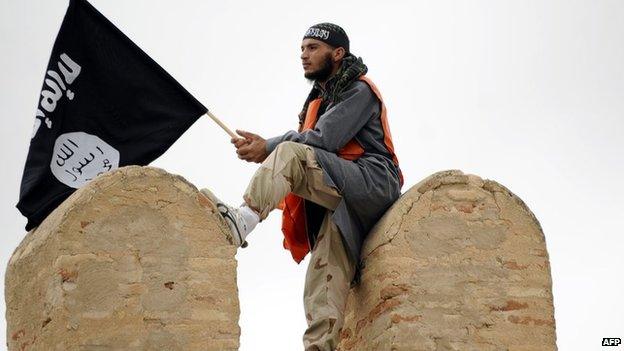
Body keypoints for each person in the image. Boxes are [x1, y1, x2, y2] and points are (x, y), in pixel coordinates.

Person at [201, 22, 403, 351]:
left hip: (371, 181)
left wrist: (268, 146)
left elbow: (323, 141)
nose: (304, 55)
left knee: (289, 153)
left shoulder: (359, 89)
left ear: (337, 53)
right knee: (323, 276)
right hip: (343, 196)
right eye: (302, 49)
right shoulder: (319, 100)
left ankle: (244, 219)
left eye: (312, 48)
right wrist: (268, 148)